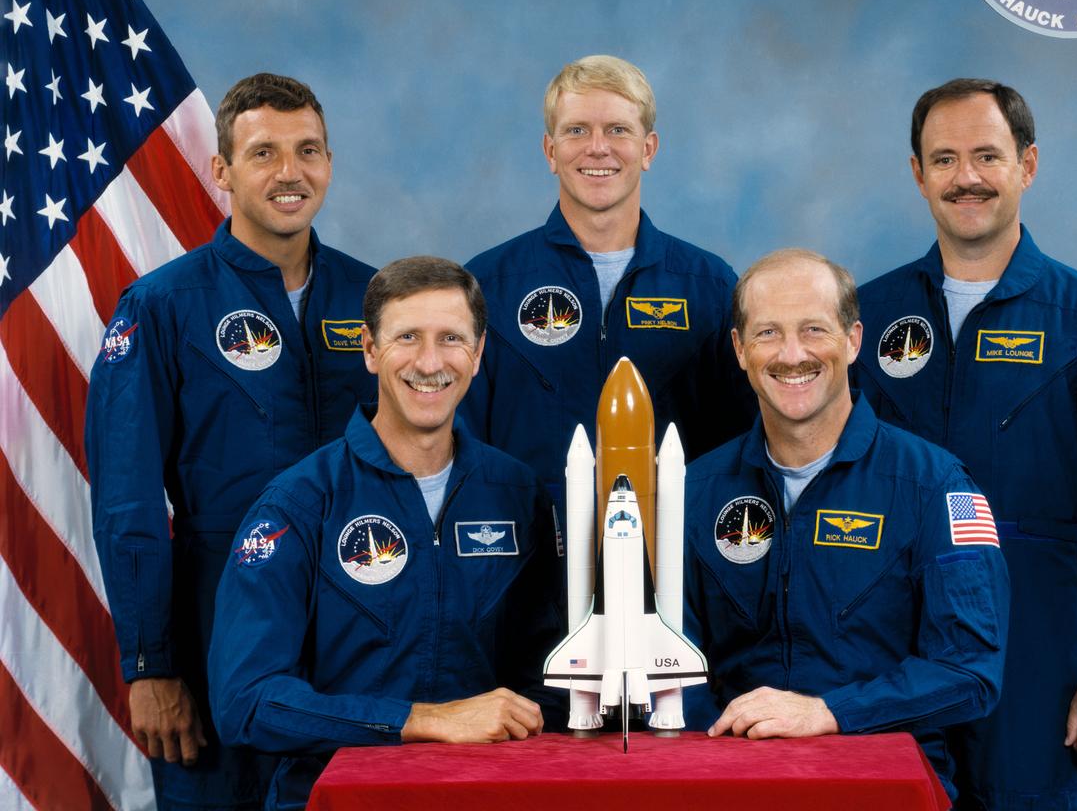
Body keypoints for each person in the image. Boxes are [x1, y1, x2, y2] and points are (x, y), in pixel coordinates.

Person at [853, 79, 1077, 810]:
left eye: (987, 156)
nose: (966, 178)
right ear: (917, 172)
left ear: (1027, 165)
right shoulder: (867, 313)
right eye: (945, 159)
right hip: (887, 627)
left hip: (1036, 629)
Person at [86, 73, 377, 810]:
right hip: (218, 625)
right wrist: (151, 664)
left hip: (361, 626)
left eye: (308, 150)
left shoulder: (377, 301)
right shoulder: (161, 307)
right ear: (221, 171)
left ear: (331, 163)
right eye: (264, 153)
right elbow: (128, 499)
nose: (290, 172)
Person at [209, 257, 561, 810]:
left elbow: (548, 667)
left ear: (478, 352)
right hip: (340, 796)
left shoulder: (515, 493)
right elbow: (247, 702)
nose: (429, 361)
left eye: (451, 338)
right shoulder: (300, 505)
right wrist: (420, 721)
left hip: (489, 792)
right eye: (407, 338)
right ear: (370, 351)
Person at [683, 248, 1009, 795]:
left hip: (880, 781)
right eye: (767, 333)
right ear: (739, 350)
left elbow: (970, 672)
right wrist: (719, 755)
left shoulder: (935, 487)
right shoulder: (694, 491)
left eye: (814, 329)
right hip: (729, 777)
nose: (791, 355)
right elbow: (673, 665)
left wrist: (830, 712)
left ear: (854, 340)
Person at [462, 55, 753, 503]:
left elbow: (744, 443)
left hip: (672, 560)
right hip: (526, 558)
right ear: (550, 151)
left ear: (649, 149)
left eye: (618, 130)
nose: (598, 148)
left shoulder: (709, 287)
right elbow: (460, 445)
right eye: (577, 130)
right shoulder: (489, 284)